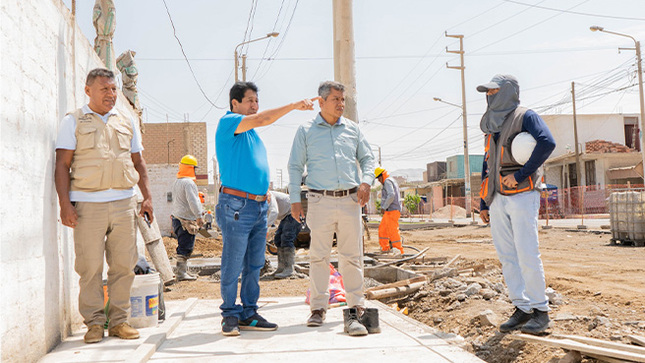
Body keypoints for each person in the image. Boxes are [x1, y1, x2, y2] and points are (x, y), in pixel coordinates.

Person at [54, 68, 153, 344]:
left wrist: (147, 197)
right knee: (90, 268)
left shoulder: (126, 121)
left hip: (123, 203)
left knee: (124, 266)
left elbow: (139, 162)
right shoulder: (73, 121)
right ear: (88, 91)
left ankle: (119, 321)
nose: (111, 94)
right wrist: (65, 204)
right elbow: (62, 165)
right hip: (88, 205)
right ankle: (95, 324)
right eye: (104, 89)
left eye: (113, 89)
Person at [215, 81, 316, 336]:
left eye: (256, 102)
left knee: (254, 263)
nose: (255, 106)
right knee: (233, 262)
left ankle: (249, 312)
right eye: (250, 101)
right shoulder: (228, 123)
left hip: (259, 206)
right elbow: (263, 119)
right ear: (234, 103)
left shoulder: (251, 134)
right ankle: (229, 314)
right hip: (237, 206)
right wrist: (294, 105)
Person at [288, 81, 379, 336]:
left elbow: (368, 159)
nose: (341, 104)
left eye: (343, 100)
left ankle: (356, 307)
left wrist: (366, 181)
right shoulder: (305, 131)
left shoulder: (353, 130)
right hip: (319, 200)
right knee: (319, 256)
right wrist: (295, 199)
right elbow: (295, 166)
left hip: (351, 200)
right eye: (336, 99)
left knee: (352, 256)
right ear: (321, 101)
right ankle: (318, 308)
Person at [477, 74, 556, 335]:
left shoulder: (525, 116)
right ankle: (522, 308)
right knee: (507, 257)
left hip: (522, 195)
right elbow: (487, 165)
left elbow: (547, 142)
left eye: (494, 91)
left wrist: (521, 175)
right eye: (487, 92)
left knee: (527, 253)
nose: (489, 96)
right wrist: (484, 203)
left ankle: (541, 312)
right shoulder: (492, 124)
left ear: (508, 91)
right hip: (497, 198)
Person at [171, 155, 204, 282]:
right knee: (186, 247)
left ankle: (183, 271)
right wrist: (199, 216)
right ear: (190, 168)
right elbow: (193, 201)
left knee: (183, 245)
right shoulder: (189, 183)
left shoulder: (177, 182)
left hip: (177, 218)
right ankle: (181, 273)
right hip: (186, 220)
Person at [267, 190, 302, 279]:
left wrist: (266, 228)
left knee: (286, 239)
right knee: (278, 240)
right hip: (286, 216)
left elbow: (274, 212)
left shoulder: (269, 196)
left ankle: (289, 269)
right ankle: (281, 268)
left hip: (293, 212)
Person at [375, 167, 403, 254]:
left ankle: (398, 250)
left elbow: (391, 195)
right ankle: (385, 248)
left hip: (392, 210)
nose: (379, 181)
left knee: (392, 230)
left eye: (379, 178)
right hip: (390, 211)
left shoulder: (387, 181)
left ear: (382, 175)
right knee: (383, 229)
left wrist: (384, 206)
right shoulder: (390, 181)